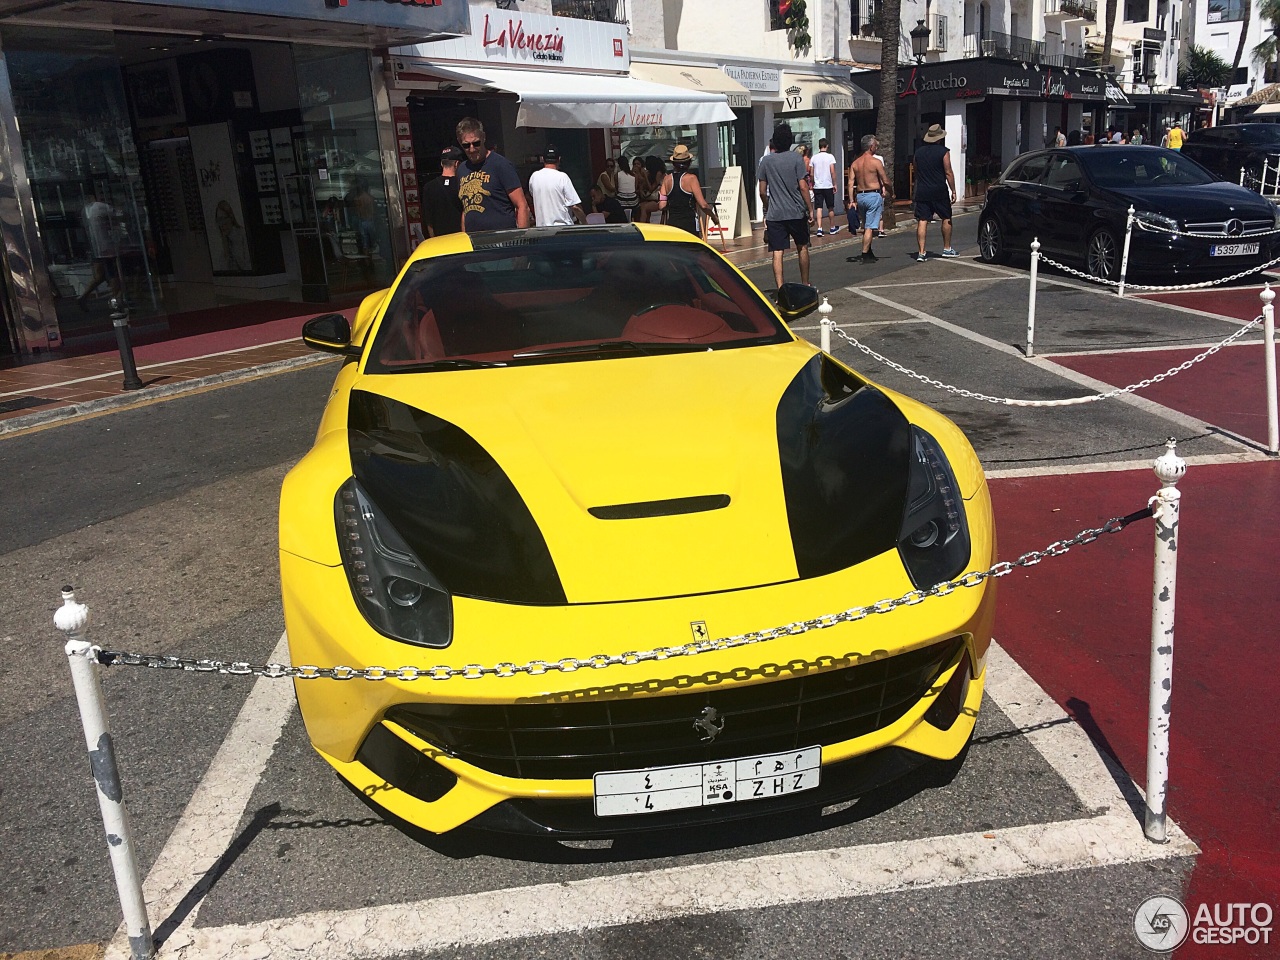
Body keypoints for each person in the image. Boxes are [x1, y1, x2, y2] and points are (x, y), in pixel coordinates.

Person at [757, 123, 814, 287]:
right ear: (790, 141)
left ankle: (781, 289)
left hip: (776, 214)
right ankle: (805, 284)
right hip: (796, 211)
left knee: (777, 252)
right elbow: (803, 186)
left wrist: (768, 207)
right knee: (802, 247)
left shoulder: (766, 161)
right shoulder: (796, 158)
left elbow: (762, 191)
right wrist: (809, 209)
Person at [455, 117, 530, 232]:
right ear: (460, 143)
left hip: (502, 240)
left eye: (476, 143)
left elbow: (522, 206)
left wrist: (522, 241)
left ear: (483, 138)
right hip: (474, 242)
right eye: (466, 145)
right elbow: (466, 210)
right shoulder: (462, 169)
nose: (472, 149)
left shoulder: (501, 165)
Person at [913, 123, 958, 262]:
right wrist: (953, 190)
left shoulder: (918, 152)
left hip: (922, 190)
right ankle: (947, 248)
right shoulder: (943, 151)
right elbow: (948, 171)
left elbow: (916, 170)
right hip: (939, 189)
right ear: (939, 138)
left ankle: (921, 252)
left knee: (922, 220)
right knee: (946, 217)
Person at [659, 144, 719, 238]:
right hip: (688, 223)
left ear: (673, 163)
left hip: (672, 223)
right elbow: (703, 205)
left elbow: (662, 205)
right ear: (689, 162)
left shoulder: (666, 179)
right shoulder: (692, 179)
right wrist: (713, 216)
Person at [848, 134, 889, 263]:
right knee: (870, 227)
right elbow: (885, 180)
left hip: (860, 195)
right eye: (876, 145)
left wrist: (851, 201)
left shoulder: (855, 163)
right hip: (873, 194)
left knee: (867, 225)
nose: (876, 147)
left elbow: (850, 183)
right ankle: (865, 254)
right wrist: (890, 191)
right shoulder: (875, 162)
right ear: (871, 147)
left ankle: (869, 251)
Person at [78, 190, 121, 309]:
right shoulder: (101, 206)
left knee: (100, 275)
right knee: (113, 274)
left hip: (95, 246)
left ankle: (83, 296)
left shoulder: (86, 210)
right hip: (106, 247)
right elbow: (119, 214)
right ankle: (116, 300)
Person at [527, 145, 584, 226]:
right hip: (562, 229)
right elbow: (575, 207)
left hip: (541, 230)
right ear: (559, 159)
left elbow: (534, 196)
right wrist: (585, 222)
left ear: (543, 159)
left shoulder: (534, 177)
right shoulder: (562, 177)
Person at [422, 145, 464, 239]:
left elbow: (428, 221)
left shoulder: (428, 187)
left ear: (442, 164)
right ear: (457, 164)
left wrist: (433, 240)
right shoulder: (463, 185)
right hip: (460, 239)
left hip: (440, 241)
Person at [809, 138, 841, 237]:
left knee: (819, 207)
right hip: (828, 185)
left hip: (818, 186)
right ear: (826, 146)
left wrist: (813, 182)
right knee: (830, 207)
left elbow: (811, 173)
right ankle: (832, 227)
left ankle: (819, 228)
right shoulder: (830, 157)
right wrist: (835, 183)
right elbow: (832, 171)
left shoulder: (814, 158)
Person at [345, 176, 378, 255]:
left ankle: (366, 253)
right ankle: (369, 252)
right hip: (369, 220)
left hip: (363, 220)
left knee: (364, 241)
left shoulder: (357, 199)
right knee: (370, 240)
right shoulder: (370, 198)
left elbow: (356, 211)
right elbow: (373, 211)